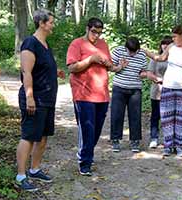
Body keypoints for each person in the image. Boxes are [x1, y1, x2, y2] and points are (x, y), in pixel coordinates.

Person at [15, 9, 65, 192]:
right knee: (28, 136)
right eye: (51, 22)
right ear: (42, 23)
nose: (53, 25)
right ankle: (21, 176)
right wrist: (29, 97)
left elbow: (42, 68)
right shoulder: (31, 43)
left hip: (48, 99)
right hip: (34, 98)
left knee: (42, 137)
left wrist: (55, 72)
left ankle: (35, 169)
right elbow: (26, 72)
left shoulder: (45, 44)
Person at [66, 17, 122, 176]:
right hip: (83, 93)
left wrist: (117, 66)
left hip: (102, 94)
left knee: (96, 130)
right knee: (87, 129)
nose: (96, 35)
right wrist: (90, 59)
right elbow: (71, 67)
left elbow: (110, 66)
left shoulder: (103, 44)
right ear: (87, 28)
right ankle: (85, 161)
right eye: (93, 32)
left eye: (99, 33)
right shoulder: (76, 44)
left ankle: (86, 153)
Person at [145, 25, 182, 158]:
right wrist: (145, 51)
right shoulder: (171, 47)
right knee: (166, 117)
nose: (172, 39)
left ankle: (179, 146)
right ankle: (168, 145)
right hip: (168, 86)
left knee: (180, 118)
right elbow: (160, 58)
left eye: (175, 36)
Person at [109, 37, 148, 153]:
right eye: (130, 51)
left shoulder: (141, 55)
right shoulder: (118, 51)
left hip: (135, 90)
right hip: (119, 88)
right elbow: (110, 67)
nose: (132, 54)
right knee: (116, 115)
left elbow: (143, 71)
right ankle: (115, 140)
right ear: (126, 48)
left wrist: (143, 74)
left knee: (135, 116)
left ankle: (135, 141)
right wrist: (120, 67)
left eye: (134, 52)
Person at [141, 36, 173, 149]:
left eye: (168, 44)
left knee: (169, 116)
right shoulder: (156, 57)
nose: (165, 46)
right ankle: (154, 138)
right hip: (157, 90)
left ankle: (168, 140)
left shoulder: (175, 58)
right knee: (155, 115)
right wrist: (159, 79)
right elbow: (149, 73)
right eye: (163, 44)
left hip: (171, 90)